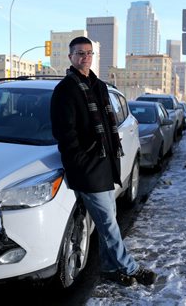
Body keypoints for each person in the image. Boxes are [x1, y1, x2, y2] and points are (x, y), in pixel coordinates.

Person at [50, 36, 157, 287]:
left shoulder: (98, 86)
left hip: (106, 163)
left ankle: (110, 269)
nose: (85, 57)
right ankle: (130, 266)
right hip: (88, 168)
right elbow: (64, 133)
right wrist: (79, 161)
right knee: (108, 223)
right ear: (70, 57)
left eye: (88, 53)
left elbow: (108, 126)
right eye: (79, 53)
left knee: (108, 218)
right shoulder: (65, 90)